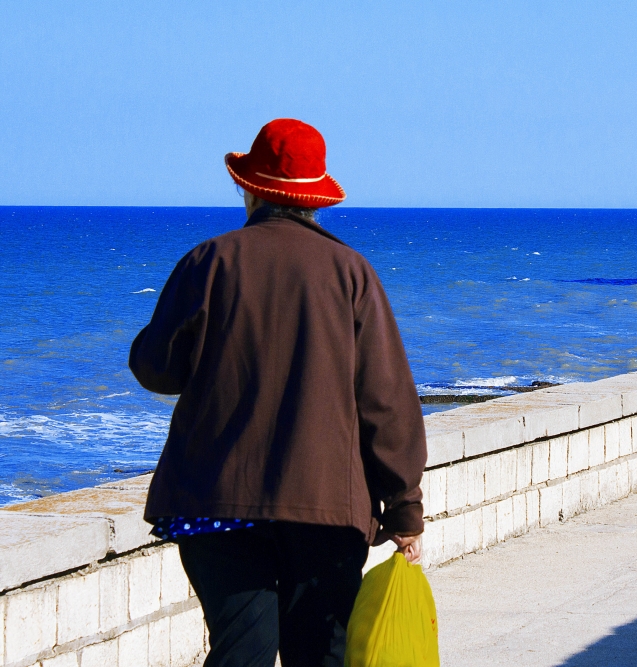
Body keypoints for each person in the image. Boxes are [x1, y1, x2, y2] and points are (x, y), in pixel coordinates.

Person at [129, 118, 427, 667]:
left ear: (250, 189)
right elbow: (387, 403)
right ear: (316, 199)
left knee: (241, 648)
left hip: (218, 500)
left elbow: (156, 370)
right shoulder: (351, 273)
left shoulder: (208, 262)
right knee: (320, 653)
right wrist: (404, 509)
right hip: (325, 506)